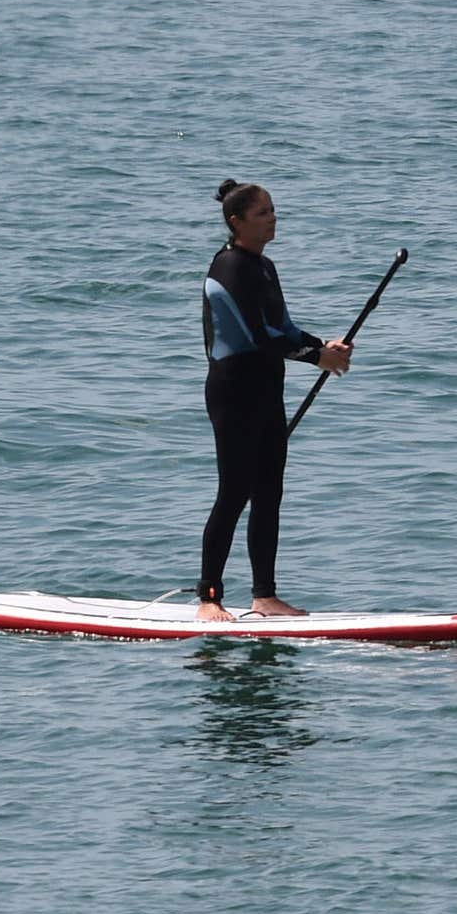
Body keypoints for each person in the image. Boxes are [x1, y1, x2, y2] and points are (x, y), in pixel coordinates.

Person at [197, 179, 350, 620]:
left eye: (273, 211)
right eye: (262, 213)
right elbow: (257, 336)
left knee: (269, 492)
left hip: (267, 390)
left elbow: (283, 328)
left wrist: (326, 347)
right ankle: (208, 598)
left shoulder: (264, 267)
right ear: (236, 221)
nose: (272, 219)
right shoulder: (229, 268)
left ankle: (264, 595)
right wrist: (315, 357)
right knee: (233, 493)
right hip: (233, 394)